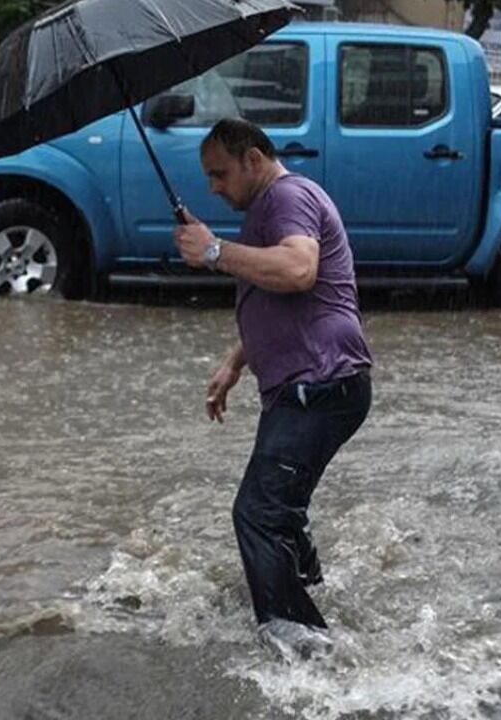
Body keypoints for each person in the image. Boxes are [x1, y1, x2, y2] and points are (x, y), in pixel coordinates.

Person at [172, 118, 373, 661]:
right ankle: (311, 597)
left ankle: (305, 651)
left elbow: (299, 269)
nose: (213, 187)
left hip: (320, 385)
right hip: (315, 384)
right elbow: (276, 295)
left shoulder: (287, 196)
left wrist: (216, 251)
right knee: (278, 511)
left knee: (257, 513)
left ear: (253, 160)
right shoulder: (271, 205)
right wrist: (236, 361)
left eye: (219, 174)